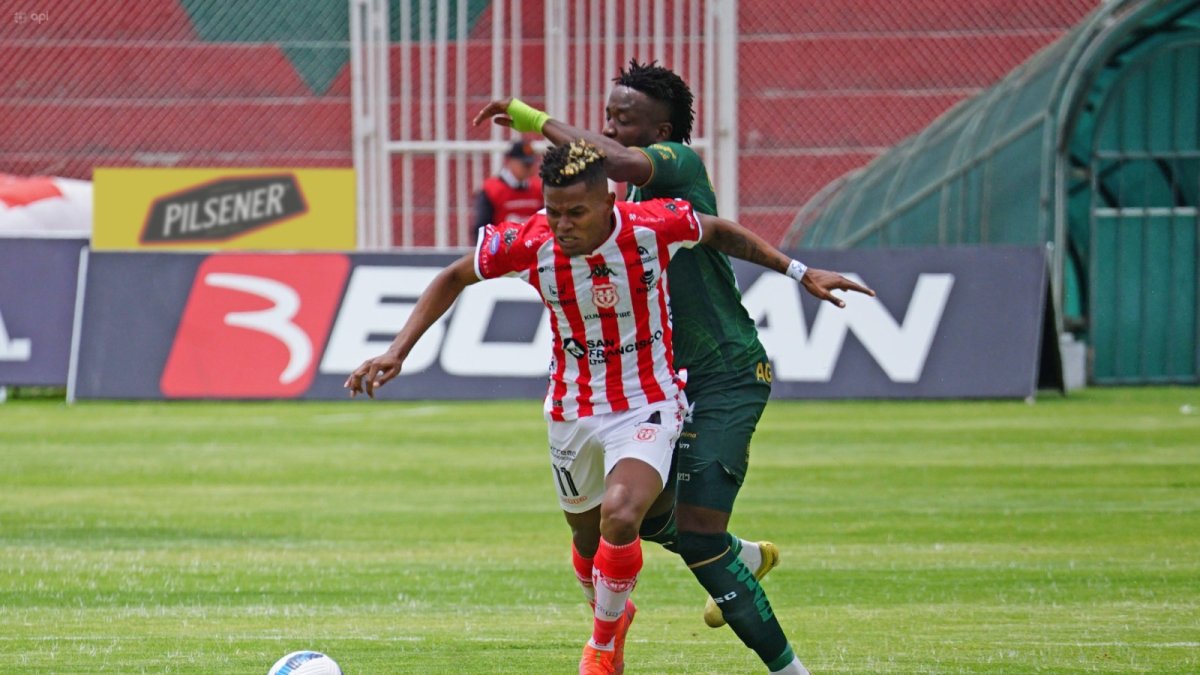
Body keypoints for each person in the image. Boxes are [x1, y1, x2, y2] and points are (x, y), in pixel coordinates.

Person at [345, 140, 872, 675]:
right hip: (572, 409)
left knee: (621, 514)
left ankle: (602, 645)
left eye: (576, 212)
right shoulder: (528, 242)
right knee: (586, 538)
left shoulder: (652, 225)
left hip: (648, 401)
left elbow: (717, 230)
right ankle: (620, 613)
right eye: (553, 212)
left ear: (608, 203)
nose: (563, 225)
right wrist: (396, 351)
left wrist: (800, 272)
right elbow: (455, 275)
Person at [474, 60, 859, 674]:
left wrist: (529, 118)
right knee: (638, 517)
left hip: (727, 371)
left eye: (623, 120)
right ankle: (742, 557)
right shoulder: (610, 211)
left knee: (696, 533)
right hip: (661, 385)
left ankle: (788, 666)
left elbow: (625, 167)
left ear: (662, 129)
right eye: (606, 117)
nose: (608, 130)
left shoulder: (674, 162)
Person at [471, 139, 543, 232]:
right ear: (510, 161)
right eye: (525, 164)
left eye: (531, 164)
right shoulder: (491, 190)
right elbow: (482, 227)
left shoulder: (538, 188)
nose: (528, 168)